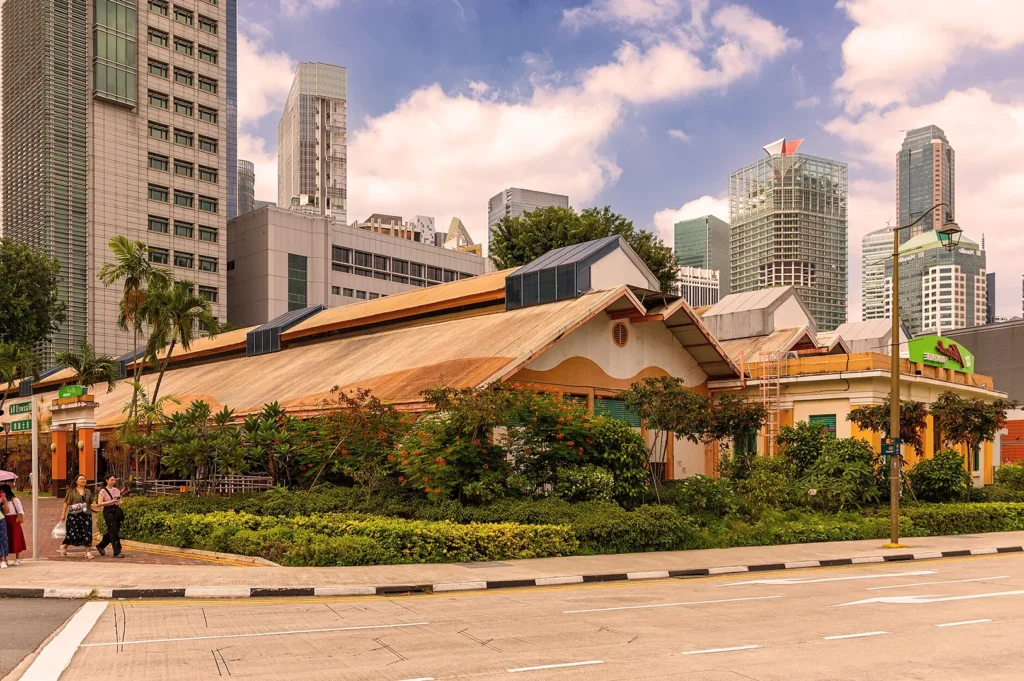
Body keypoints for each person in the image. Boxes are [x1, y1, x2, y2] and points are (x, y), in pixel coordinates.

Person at [60, 475, 95, 559]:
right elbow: (66, 503)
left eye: (84, 479)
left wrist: (91, 512)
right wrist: (63, 514)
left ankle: (88, 552)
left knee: (87, 532)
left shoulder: (88, 492)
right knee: (73, 533)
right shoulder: (72, 491)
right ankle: (64, 546)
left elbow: (90, 503)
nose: (83, 480)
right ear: (76, 481)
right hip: (74, 515)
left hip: (86, 515)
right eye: (81, 479)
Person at [95, 474, 125, 558]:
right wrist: (111, 502)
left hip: (116, 510)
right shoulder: (103, 491)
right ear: (107, 480)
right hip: (108, 511)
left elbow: (120, 501)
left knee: (114, 529)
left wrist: (119, 502)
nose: (113, 481)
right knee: (113, 529)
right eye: (111, 480)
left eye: (114, 480)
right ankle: (117, 551)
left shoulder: (117, 490)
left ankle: (101, 545)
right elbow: (99, 503)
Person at [1, 484, 26, 565]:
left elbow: (20, 511)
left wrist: (17, 520)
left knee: (16, 539)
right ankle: (5, 558)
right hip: (4, 521)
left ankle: (17, 558)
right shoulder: (2, 500)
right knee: (5, 540)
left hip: (14, 520)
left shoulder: (14, 500)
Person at [0, 493, 8, 568]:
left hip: (1, 520)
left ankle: (4, 560)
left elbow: (6, 511)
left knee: (3, 540)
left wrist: (5, 502)